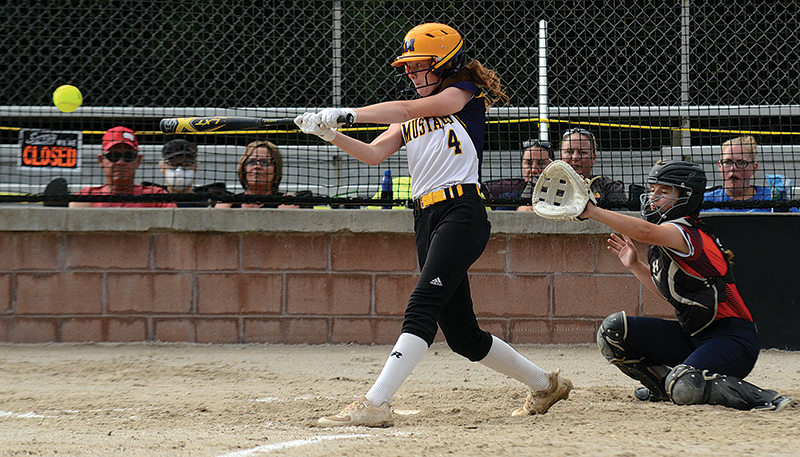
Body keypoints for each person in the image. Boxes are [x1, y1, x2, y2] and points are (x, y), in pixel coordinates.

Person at [294, 22, 572, 427]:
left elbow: (407, 110)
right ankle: (546, 385)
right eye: (407, 66)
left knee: (421, 305)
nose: (410, 73)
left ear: (445, 63)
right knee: (463, 337)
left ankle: (374, 403)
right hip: (425, 218)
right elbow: (373, 154)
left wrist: (350, 113)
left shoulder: (463, 95)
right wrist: (330, 133)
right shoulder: (411, 113)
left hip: (462, 212)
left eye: (418, 65)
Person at [580, 160, 791, 411]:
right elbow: (671, 294)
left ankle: (764, 398)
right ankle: (663, 387)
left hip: (733, 340)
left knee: (684, 383)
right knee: (613, 331)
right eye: (652, 189)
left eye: (664, 191)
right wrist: (635, 265)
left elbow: (644, 232)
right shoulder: (667, 239)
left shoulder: (684, 232)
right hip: (694, 336)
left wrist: (592, 211)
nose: (653, 197)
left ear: (686, 197)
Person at [69, 126, 176, 208]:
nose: (120, 162)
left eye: (128, 156)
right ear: (101, 160)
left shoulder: (157, 197)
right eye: (113, 156)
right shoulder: (86, 197)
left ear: (138, 161)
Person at [702, 135, 783, 212]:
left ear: (754, 168)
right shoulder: (705, 201)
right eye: (727, 162)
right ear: (720, 166)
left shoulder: (772, 198)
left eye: (741, 163)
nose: (733, 168)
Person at [559, 127, 626, 207]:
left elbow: (620, 214)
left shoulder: (609, 188)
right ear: (560, 156)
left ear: (593, 158)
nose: (575, 157)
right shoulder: (548, 186)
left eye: (582, 152)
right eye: (569, 152)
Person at [226, 140, 303, 209]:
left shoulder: (287, 202)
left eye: (264, 162)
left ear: (275, 169)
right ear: (243, 168)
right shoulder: (228, 202)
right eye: (252, 162)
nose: (257, 166)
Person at [156, 139, 229, 208]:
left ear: (195, 167)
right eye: (173, 164)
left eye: (186, 165)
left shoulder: (210, 201)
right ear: (162, 167)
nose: (179, 170)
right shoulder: (154, 200)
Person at [517, 139, 554, 212]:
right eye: (529, 163)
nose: (534, 170)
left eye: (541, 164)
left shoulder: (564, 197)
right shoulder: (509, 198)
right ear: (522, 166)